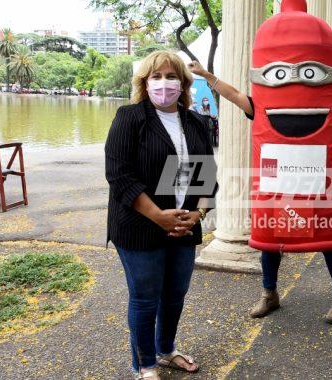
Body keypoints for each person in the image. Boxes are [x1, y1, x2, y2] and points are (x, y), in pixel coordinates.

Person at [187, 60, 332, 325]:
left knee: (329, 241)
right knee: (269, 241)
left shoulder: (323, 105)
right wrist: (206, 75)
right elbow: (232, 94)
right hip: (278, 187)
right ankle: (269, 294)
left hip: (316, 187)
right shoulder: (263, 106)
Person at [105, 51, 217, 380]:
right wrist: (159, 216)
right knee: (145, 298)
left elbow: (206, 175)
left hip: (184, 226)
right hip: (139, 227)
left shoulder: (197, 121)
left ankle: (165, 351)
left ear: (183, 84)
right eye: (156, 77)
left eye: (171, 77)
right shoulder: (129, 118)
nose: (164, 83)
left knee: (174, 295)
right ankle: (145, 364)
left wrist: (198, 212)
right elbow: (119, 176)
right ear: (144, 82)